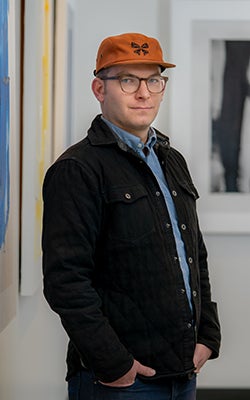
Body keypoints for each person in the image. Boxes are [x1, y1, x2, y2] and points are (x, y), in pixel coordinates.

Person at [42, 33, 221, 400]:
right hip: (121, 382)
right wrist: (116, 365)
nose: (144, 93)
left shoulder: (172, 161)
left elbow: (193, 255)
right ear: (99, 88)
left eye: (153, 80)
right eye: (128, 80)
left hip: (183, 371)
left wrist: (208, 334)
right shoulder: (78, 169)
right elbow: (66, 281)